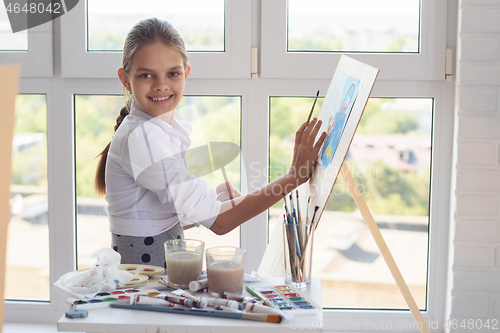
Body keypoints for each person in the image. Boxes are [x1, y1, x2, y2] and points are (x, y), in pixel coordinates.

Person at [94, 17, 326, 268]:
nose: (161, 85)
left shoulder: (157, 133)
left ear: (186, 73)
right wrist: (294, 177)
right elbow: (220, 223)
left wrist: (215, 203)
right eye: (146, 75)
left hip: (155, 276)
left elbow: (154, 215)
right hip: (146, 283)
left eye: (173, 73)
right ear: (125, 79)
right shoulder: (144, 139)